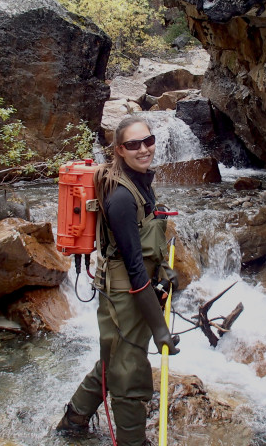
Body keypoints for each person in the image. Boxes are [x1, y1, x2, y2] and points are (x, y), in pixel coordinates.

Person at [56, 115, 180, 446]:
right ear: (119, 150)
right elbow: (134, 269)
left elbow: (143, 249)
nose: (144, 149)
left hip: (133, 285)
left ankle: (75, 417)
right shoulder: (122, 198)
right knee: (127, 372)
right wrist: (159, 329)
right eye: (133, 145)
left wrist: (164, 273)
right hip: (125, 294)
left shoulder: (140, 180)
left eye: (148, 141)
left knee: (115, 357)